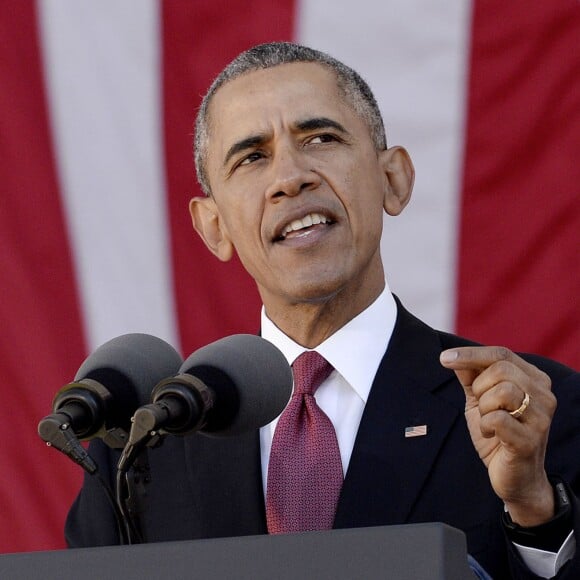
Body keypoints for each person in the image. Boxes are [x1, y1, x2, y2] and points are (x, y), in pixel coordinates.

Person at [66, 42, 579, 579]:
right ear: (212, 225)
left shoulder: (532, 413)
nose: (291, 177)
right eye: (252, 157)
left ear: (394, 179)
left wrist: (535, 513)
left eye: (322, 139)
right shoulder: (141, 451)